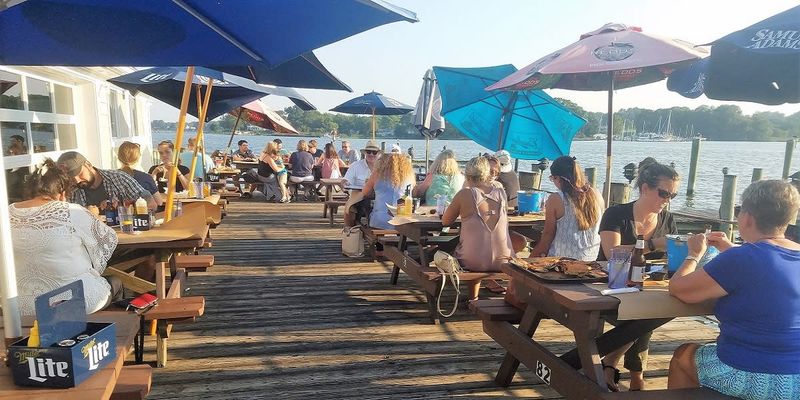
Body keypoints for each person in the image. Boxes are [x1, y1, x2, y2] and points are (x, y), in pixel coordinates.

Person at [668, 180, 800, 399]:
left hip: (752, 375)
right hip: (796, 378)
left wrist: (694, 254)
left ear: (747, 217)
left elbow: (679, 289)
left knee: (683, 356)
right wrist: (731, 250)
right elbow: (770, 268)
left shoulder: (742, 258)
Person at [599, 158, 679, 391]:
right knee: (644, 319)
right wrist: (652, 244)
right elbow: (612, 253)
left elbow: (669, 261)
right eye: (664, 193)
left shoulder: (668, 219)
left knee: (647, 314)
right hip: (610, 286)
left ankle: (613, 367)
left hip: (648, 288)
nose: (667, 201)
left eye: (672, 196)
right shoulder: (617, 214)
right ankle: (633, 376)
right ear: (645, 188)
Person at [10, 159, 121, 315]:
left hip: (18, 306)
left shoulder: (6, 213)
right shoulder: (71, 211)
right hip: (71, 302)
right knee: (115, 283)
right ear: (62, 193)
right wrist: (93, 217)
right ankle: (111, 335)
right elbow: (106, 241)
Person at [442, 156, 525, 298]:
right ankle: (477, 296)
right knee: (486, 244)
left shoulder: (464, 194)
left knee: (461, 249)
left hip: (472, 261)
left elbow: (445, 221)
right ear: (487, 173)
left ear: (467, 174)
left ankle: (473, 297)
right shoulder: (501, 193)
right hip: (504, 260)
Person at [529, 156, 604, 260]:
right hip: (590, 259)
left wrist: (530, 259)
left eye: (552, 178)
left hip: (561, 260)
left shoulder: (556, 199)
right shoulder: (596, 195)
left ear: (558, 178)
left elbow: (548, 235)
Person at [56, 151, 156, 210]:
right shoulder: (69, 191)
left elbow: (151, 204)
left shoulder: (118, 178)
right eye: (71, 178)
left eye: (80, 174)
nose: (77, 181)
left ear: (88, 165)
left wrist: (124, 207)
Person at [362, 153, 414, 230]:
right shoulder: (409, 175)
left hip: (380, 221)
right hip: (403, 221)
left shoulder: (377, 174)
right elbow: (410, 192)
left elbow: (365, 192)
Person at [343, 140, 381, 227]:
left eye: (374, 152)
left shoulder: (383, 168)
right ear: (365, 153)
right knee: (354, 206)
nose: (371, 154)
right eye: (368, 152)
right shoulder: (356, 165)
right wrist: (345, 184)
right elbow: (346, 180)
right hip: (359, 196)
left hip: (379, 197)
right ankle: (355, 227)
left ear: (378, 154)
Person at [117, 141, 162, 207]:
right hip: (141, 215)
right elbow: (159, 202)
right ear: (138, 158)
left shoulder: (111, 176)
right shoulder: (145, 178)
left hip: (117, 215)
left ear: (118, 157)